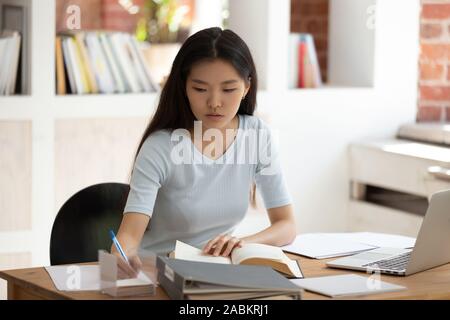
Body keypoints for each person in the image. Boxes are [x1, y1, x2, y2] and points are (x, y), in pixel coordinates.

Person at [111, 27, 296, 278]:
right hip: (159, 274)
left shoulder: (257, 135)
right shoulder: (161, 147)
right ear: (184, 87)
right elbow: (129, 237)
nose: (215, 102)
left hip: (215, 272)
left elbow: (286, 225)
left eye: (228, 89)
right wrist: (123, 256)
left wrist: (243, 243)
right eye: (200, 89)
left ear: (247, 87)